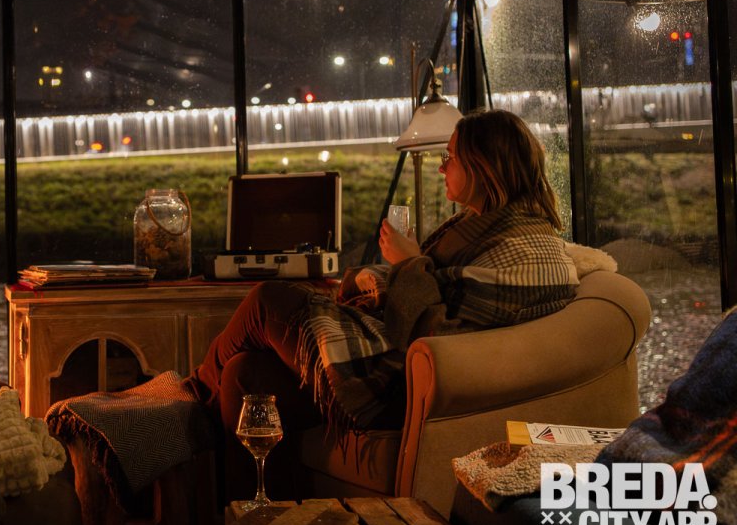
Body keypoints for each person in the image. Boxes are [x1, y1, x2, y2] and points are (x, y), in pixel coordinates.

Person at [182, 108, 580, 496]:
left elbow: (438, 335)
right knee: (245, 374)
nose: (441, 168)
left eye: (451, 158)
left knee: (269, 299)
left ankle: (191, 398)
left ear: (484, 167)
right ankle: (261, 521)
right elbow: (444, 296)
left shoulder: (522, 251)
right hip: (405, 366)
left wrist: (409, 263)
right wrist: (394, 272)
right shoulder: (485, 229)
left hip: (402, 384)